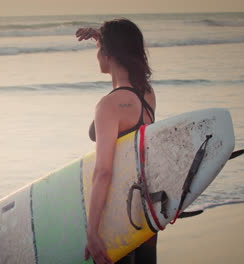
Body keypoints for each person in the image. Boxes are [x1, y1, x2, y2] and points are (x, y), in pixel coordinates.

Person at [75, 18, 157, 264]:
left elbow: (103, 171)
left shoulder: (109, 106)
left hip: (116, 213)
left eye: (101, 49)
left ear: (108, 53)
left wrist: (92, 232)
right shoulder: (146, 94)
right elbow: (121, 80)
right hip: (143, 210)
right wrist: (102, 38)